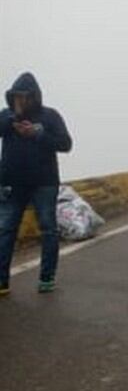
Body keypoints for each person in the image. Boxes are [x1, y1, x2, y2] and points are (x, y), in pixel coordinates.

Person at [0, 72, 73, 295]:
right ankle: (2, 281)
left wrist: (38, 134)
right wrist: (14, 118)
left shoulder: (50, 116)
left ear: (34, 96)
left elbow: (65, 144)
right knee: (5, 229)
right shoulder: (6, 116)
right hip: (12, 183)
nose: (21, 100)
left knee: (48, 229)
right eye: (17, 96)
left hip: (44, 183)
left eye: (25, 96)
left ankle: (47, 278)